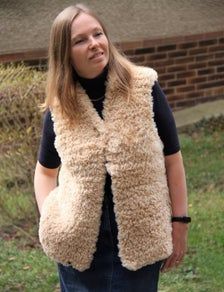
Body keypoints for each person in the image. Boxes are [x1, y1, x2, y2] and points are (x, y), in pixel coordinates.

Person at [34, 4, 191, 292]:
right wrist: (52, 219)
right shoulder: (59, 109)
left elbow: (173, 160)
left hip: (138, 244)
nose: (94, 44)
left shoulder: (144, 88)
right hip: (79, 250)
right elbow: (45, 172)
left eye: (98, 34)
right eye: (80, 40)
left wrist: (179, 221)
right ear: (64, 53)